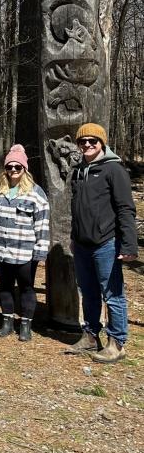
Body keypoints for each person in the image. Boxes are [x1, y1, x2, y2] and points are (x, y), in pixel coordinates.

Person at [65, 123, 139, 363]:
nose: (87, 145)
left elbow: (126, 209)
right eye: (82, 141)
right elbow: (77, 210)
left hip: (106, 242)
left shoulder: (114, 170)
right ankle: (90, 336)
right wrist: (74, 238)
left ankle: (117, 342)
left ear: (102, 143)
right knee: (88, 292)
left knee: (113, 293)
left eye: (92, 141)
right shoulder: (78, 171)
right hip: (82, 243)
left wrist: (129, 245)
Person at [0, 144, 50, 342]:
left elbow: (42, 224)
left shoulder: (36, 194)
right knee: (5, 287)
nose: (13, 171)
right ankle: (7, 321)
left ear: (24, 169)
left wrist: (40, 251)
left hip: (25, 252)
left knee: (26, 287)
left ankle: (26, 324)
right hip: (0, 249)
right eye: (9, 167)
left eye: (17, 167)